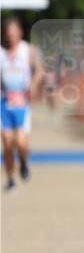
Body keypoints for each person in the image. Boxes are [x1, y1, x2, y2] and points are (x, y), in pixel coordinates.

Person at [1, 17, 44, 191]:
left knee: (21, 142)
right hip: (4, 102)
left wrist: (32, 85)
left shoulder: (29, 51)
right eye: (8, 34)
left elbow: (40, 71)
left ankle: (24, 161)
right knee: (7, 142)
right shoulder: (1, 53)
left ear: (20, 33)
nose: (11, 37)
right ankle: (11, 177)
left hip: (22, 103)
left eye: (14, 33)